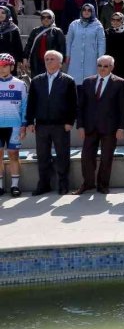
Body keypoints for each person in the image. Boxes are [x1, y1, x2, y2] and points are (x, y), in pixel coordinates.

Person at [25, 50, 77, 196]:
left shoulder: (68, 80)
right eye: (46, 59)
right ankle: (44, 184)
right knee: (42, 156)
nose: (48, 61)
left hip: (61, 125)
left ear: (60, 63)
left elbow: (73, 104)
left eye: (52, 59)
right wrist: (29, 121)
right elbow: (31, 103)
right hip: (41, 124)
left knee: (62, 155)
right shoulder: (37, 80)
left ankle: (63, 184)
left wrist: (69, 121)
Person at [75, 55, 124, 195]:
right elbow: (81, 106)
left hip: (110, 127)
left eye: (106, 66)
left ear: (112, 67)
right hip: (90, 127)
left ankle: (103, 185)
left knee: (106, 157)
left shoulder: (119, 83)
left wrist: (121, 128)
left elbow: (123, 108)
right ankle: (88, 183)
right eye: (100, 66)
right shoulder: (87, 82)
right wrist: (80, 126)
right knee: (86, 157)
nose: (102, 69)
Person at [0, 54, 26, 198]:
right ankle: (0, 186)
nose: (1, 69)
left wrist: (24, 125)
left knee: (13, 155)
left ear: (11, 66)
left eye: (5, 65)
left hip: (14, 125)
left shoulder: (20, 84)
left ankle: (14, 186)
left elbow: (24, 106)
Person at [64, 3, 105, 85]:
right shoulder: (74, 24)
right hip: (75, 56)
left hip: (91, 57)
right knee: (74, 81)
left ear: (93, 12)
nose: (86, 12)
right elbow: (69, 41)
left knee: (90, 81)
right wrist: (67, 55)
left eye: (89, 10)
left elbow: (101, 42)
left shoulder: (98, 25)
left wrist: (101, 58)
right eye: (84, 10)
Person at [23, 10, 66, 76]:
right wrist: (25, 58)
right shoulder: (35, 30)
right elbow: (28, 45)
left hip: (51, 61)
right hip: (36, 61)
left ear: (53, 18)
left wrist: (60, 62)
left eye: (48, 17)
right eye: (43, 17)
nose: (46, 19)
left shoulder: (57, 31)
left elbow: (62, 48)